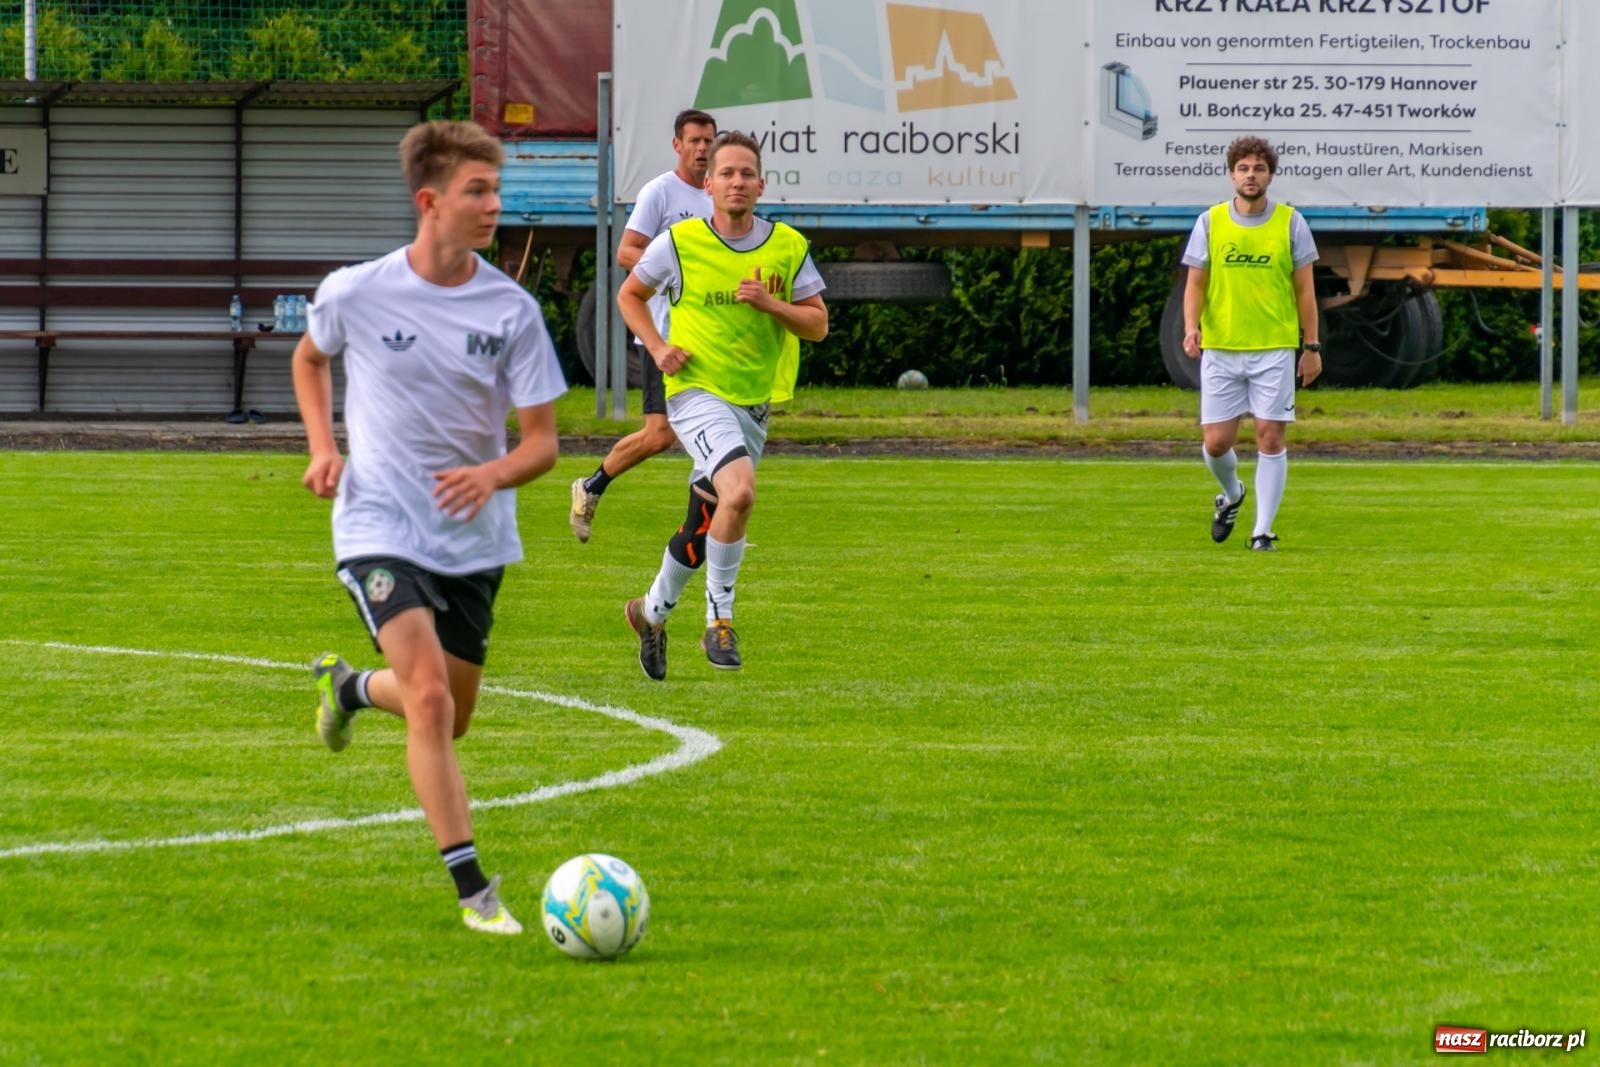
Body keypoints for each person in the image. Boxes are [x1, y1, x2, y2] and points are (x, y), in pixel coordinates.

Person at [291, 119, 566, 935]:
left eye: (495, 189)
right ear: (430, 201)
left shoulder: (511, 310)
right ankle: (475, 889)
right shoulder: (357, 291)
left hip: (474, 537)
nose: (493, 205)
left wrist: (491, 472)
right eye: (476, 190)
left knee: (448, 712)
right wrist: (322, 445)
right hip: (376, 521)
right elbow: (310, 358)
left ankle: (348, 688)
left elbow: (545, 444)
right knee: (434, 699)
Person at [616, 130, 827, 680]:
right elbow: (629, 295)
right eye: (726, 173)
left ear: (762, 184)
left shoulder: (787, 245)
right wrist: (658, 348)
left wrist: (771, 304)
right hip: (694, 392)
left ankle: (650, 613)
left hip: (753, 403)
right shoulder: (680, 242)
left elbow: (819, 325)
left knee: (706, 521)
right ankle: (720, 618)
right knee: (742, 492)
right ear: (707, 184)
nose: (737, 181)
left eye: (746, 173)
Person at [569, 108, 719, 542]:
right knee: (658, 435)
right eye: (694, 140)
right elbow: (626, 252)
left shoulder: (719, 195)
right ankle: (591, 485)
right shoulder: (660, 192)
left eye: (709, 140)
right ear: (677, 145)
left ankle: (714, 526)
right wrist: (676, 268)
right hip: (664, 335)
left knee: (717, 424)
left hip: (711, 334)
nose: (703, 148)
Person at [1181, 134, 1321, 551]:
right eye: (1243, 168)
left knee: (1270, 438)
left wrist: (1310, 348)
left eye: (1259, 168)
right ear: (1231, 175)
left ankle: (1262, 530)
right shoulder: (1210, 221)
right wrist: (1191, 327)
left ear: (1270, 176)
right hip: (1222, 348)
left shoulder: (1290, 222)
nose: (1250, 175)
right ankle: (1233, 495)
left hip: (1273, 347)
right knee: (1216, 443)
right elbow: (1195, 284)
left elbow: (1305, 292)